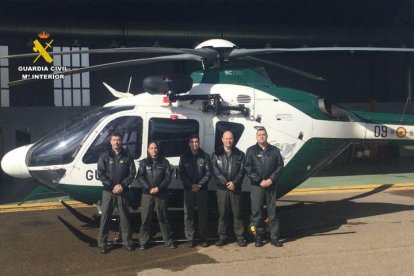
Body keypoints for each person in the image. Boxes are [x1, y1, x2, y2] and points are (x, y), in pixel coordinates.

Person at [97, 132, 136, 254]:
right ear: (110, 142)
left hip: (122, 191)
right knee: (105, 217)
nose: (116, 142)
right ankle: (102, 243)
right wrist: (112, 186)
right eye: (114, 140)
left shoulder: (127, 155)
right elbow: (101, 173)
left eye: (118, 140)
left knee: (124, 217)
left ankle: (126, 241)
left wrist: (122, 185)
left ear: (121, 141)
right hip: (109, 191)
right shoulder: (104, 155)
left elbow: (132, 173)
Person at [245, 127, 284, 247]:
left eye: (263, 134)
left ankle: (274, 238)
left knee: (272, 213)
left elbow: (280, 166)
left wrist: (271, 180)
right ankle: (258, 238)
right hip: (257, 186)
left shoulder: (274, 150)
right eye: (259, 135)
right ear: (256, 137)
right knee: (257, 213)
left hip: (270, 186)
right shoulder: (251, 151)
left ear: (266, 136)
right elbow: (248, 168)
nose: (261, 136)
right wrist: (259, 180)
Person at [137, 141, 176, 249]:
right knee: (145, 219)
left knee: (163, 218)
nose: (154, 150)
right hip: (147, 194)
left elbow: (168, 177)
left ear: (158, 149)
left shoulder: (164, 162)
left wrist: (158, 188)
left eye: (155, 148)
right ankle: (143, 242)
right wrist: (149, 188)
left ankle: (168, 241)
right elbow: (140, 177)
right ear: (148, 150)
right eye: (151, 148)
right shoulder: (144, 163)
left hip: (161, 194)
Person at [211, 131, 247, 247]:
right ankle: (222, 237)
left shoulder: (240, 154)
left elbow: (242, 171)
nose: (228, 141)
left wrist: (234, 183)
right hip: (222, 189)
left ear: (233, 139)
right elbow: (215, 171)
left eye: (230, 138)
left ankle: (240, 237)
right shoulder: (216, 154)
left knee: (238, 214)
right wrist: (227, 183)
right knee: (222, 214)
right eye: (226, 138)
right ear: (222, 139)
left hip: (236, 189)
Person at [179, 134, 212, 248]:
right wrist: (191, 185)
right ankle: (190, 238)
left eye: (196, 141)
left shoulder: (205, 156)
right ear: (189, 143)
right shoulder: (184, 157)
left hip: (202, 190)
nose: (195, 144)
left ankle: (203, 238)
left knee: (203, 215)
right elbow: (181, 174)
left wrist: (199, 185)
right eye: (192, 142)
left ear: (199, 143)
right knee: (189, 215)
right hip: (189, 190)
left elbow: (208, 173)